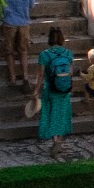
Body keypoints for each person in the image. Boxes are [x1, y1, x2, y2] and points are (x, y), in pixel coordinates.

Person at [35, 26, 74, 159]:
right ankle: (60, 141)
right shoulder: (68, 53)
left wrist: (36, 91)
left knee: (50, 114)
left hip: (50, 89)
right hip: (64, 90)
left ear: (49, 39)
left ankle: (55, 140)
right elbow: (71, 72)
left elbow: (41, 76)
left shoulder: (44, 55)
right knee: (62, 114)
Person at [0, 0, 34, 86]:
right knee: (23, 50)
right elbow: (31, 4)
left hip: (9, 21)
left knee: (9, 51)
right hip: (24, 21)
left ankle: (12, 77)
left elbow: (0, 5)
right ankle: (25, 76)